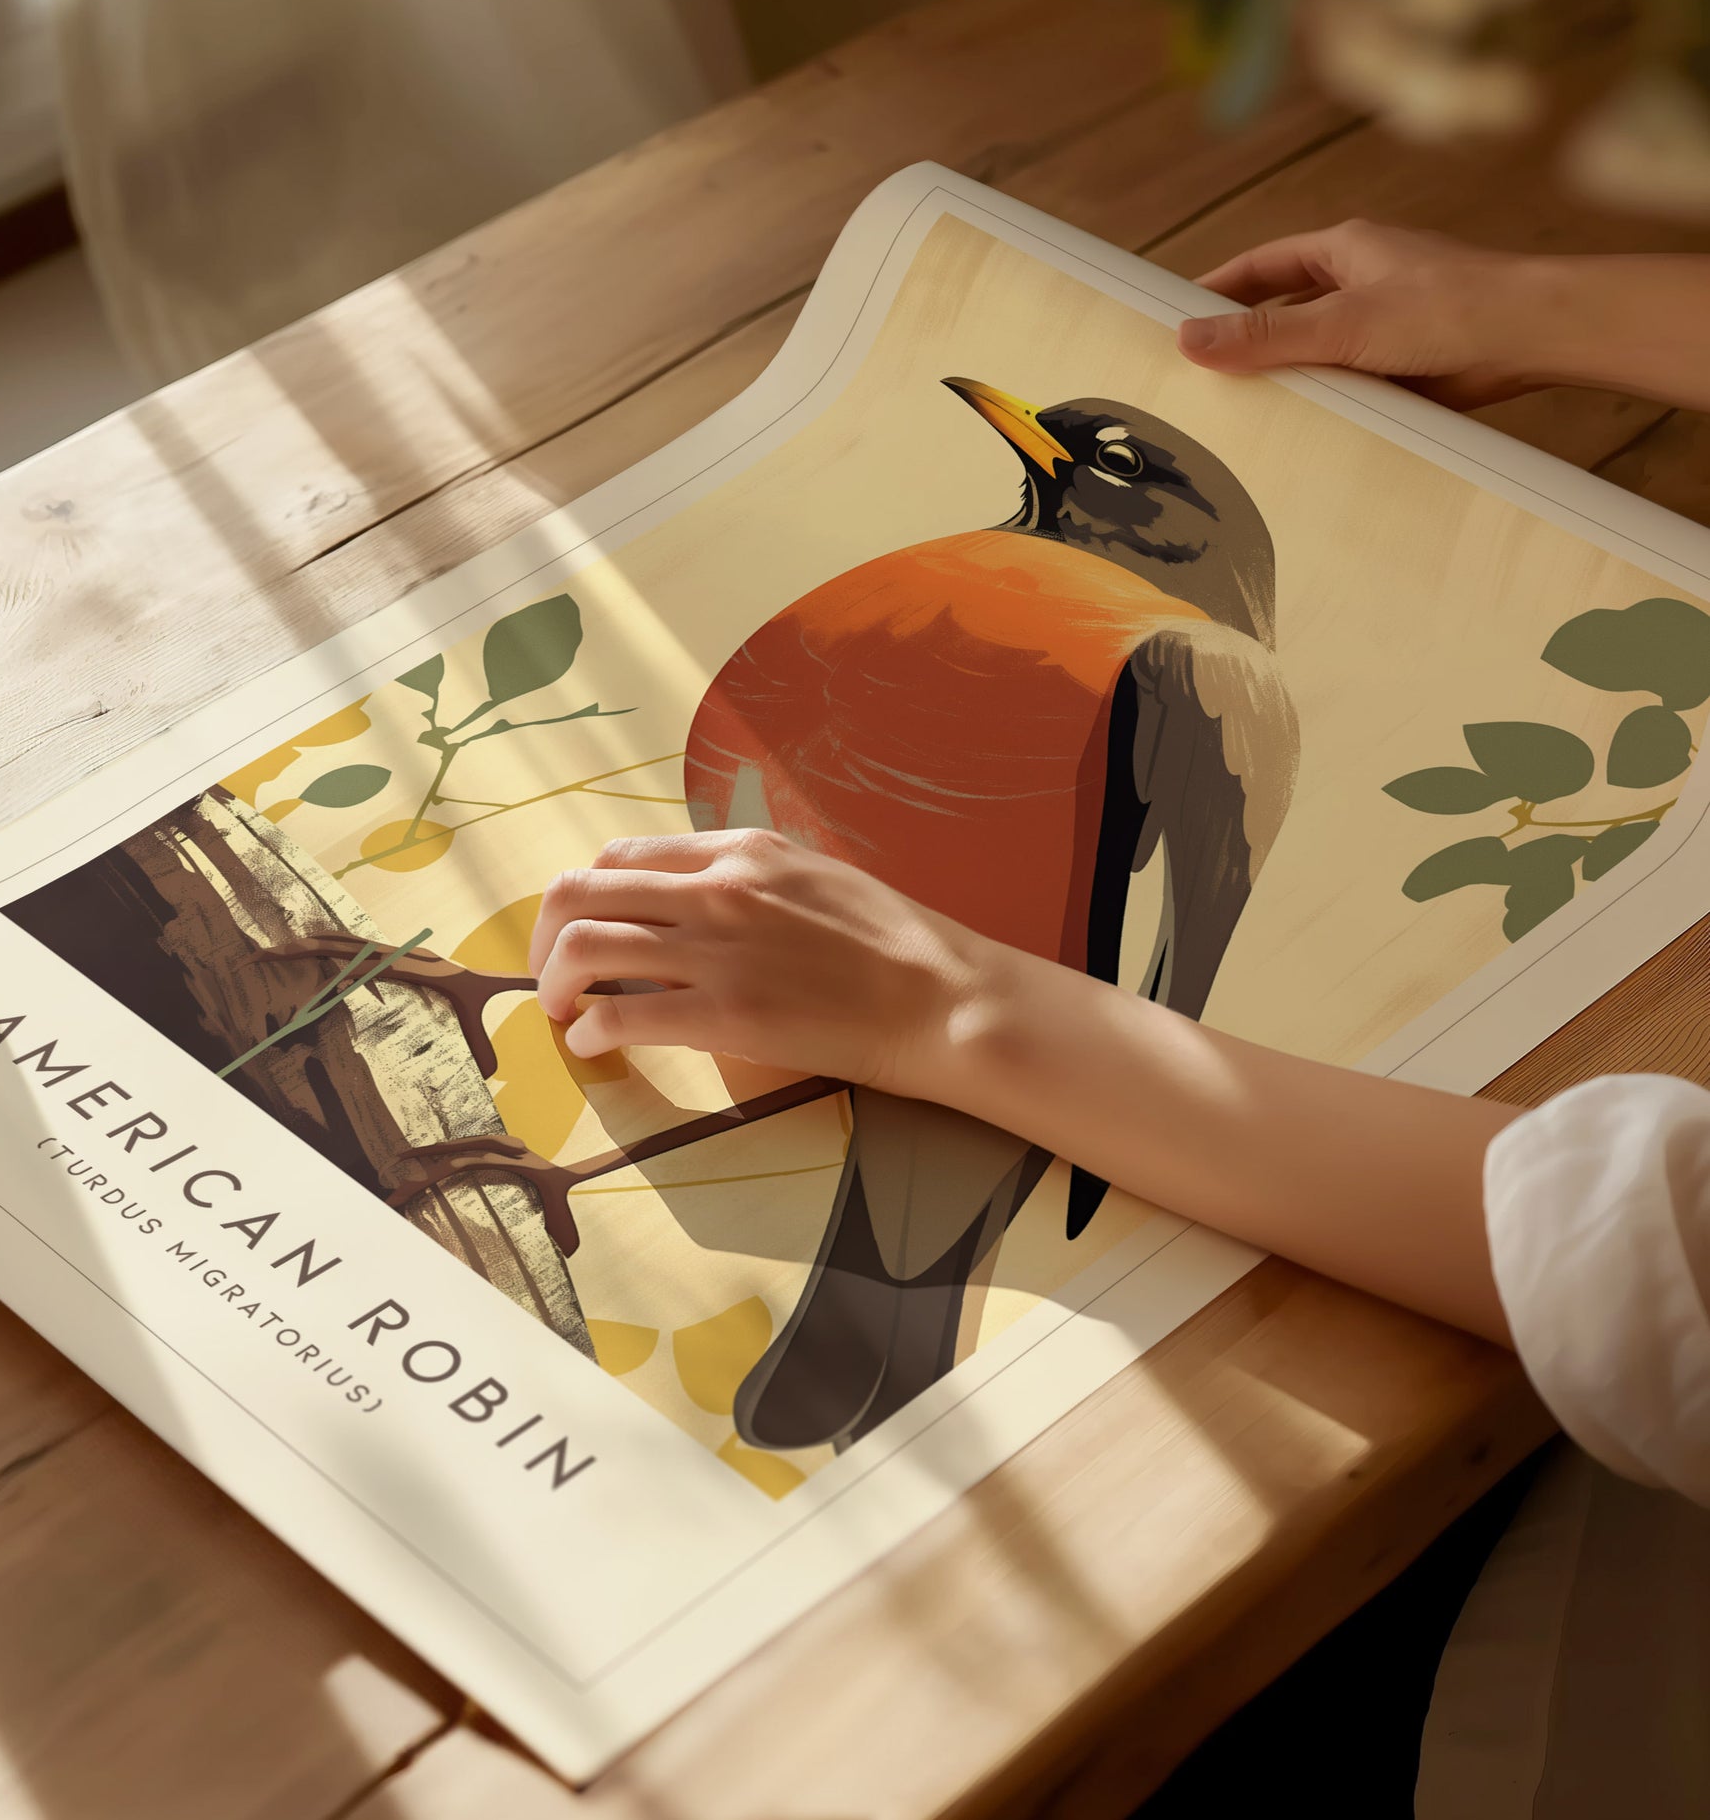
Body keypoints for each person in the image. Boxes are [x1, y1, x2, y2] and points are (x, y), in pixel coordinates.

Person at [529, 221, 1710, 1817]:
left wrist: (946, 1004)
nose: (1039, 446)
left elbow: (1655, 1260)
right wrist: (1538, 297)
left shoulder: (1187, 668)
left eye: (1087, 456)